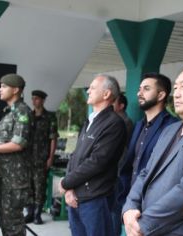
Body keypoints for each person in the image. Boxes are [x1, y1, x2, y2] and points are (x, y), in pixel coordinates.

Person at [123, 65, 183, 236]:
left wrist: (143, 224)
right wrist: (129, 208)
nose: (177, 94)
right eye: (176, 88)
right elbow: (145, 172)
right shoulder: (170, 129)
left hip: (175, 230)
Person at [58, 74, 126, 236]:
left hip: (95, 197)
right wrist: (68, 188)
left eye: (93, 88)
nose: (88, 91)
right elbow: (75, 157)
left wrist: (66, 182)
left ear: (106, 94)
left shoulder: (114, 123)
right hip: (76, 195)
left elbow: (96, 162)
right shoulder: (90, 121)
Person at [113, 72, 178, 235]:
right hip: (130, 204)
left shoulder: (173, 127)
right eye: (139, 89)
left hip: (153, 208)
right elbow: (130, 164)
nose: (139, 93)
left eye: (146, 89)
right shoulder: (139, 125)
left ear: (161, 94)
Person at [0, 74, 32, 236]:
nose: (0, 89)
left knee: (13, 225)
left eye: (4, 86)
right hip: (3, 177)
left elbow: (18, 144)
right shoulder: (9, 113)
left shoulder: (22, 111)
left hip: (15, 180)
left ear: (16, 89)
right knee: (4, 221)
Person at [23, 90, 59, 224]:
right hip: (27, 158)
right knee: (28, 187)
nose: (34, 101)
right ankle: (30, 213)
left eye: (37, 99)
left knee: (40, 187)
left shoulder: (50, 117)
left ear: (43, 100)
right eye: (33, 99)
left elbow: (53, 138)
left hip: (41, 158)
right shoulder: (28, 116)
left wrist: (50, 157)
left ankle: (38, 214)